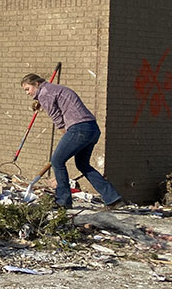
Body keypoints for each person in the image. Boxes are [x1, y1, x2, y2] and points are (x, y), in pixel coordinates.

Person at [21, 73, 123, 210]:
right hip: (92, 128)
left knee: (57, 160)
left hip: (79, 128)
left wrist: (66, 135)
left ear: (36, 84)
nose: (27, 93)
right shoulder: (54, 89)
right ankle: (113, 199)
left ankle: (63, 201)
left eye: (28, 89)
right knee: (83, 164)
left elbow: (58, 119)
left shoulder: (44, 93)